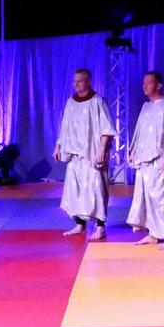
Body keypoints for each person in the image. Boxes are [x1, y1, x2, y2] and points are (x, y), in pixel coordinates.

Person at [127, 71, 164, 250]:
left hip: (161, 160)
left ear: (159, 85)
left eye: (149, 82)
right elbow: (139, 133)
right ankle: (153, 234)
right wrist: (133, 151)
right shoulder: (146, 107)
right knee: (149, 199)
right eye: (144, 83)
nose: (145, 86)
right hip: (145, 161)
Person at [53, 68, 116, 241]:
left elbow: (106, 128)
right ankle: (80, 224)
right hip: (75, 154)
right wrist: (58, 146)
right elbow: (65, 127)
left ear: (88, 81)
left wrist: (101, 149)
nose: (75, 84)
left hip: (91, 153)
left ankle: (100, 226)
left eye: (79, 81)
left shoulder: (97, 101)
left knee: (96, 189)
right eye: (74, 81)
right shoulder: (71, 102)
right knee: (76, 189)